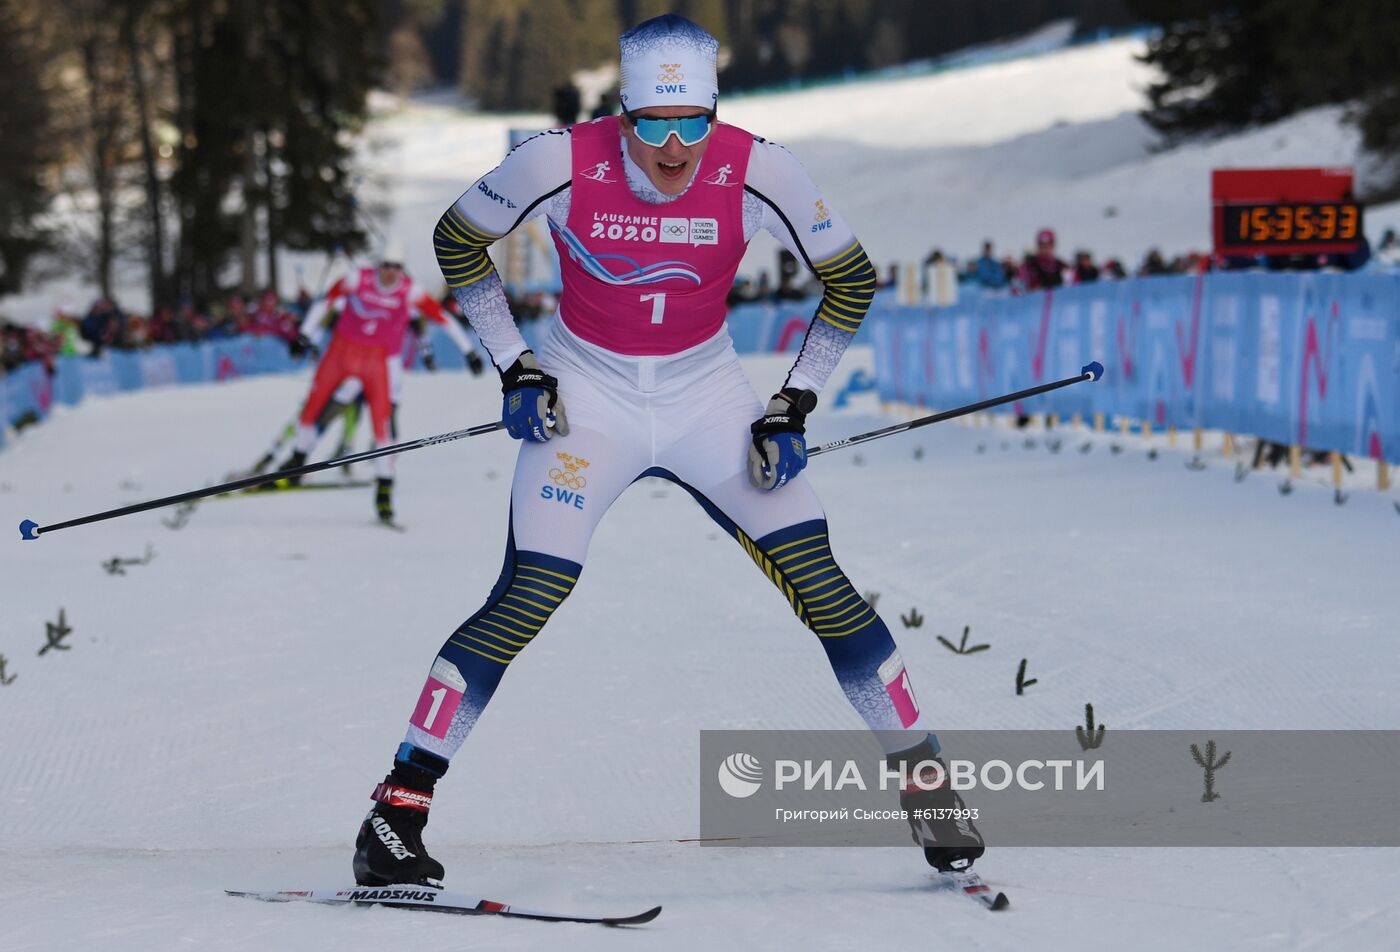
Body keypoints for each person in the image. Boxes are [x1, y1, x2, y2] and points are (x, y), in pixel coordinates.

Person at [350, 13, 985, 890]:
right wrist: (516, 367)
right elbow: (458, 241)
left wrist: (791, 404)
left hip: (707, 401)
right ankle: (394, 813)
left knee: (826, 590)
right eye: (653, 124)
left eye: (695, 123)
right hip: (588, 401)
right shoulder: (555, 160)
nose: (676, 147)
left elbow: (854, 277)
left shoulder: (761, 168)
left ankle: (932, 794)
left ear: (716, 111)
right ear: (624, 112)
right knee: (531, 592)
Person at [277, 242, 483, 523]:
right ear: (378, 265)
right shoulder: (356, 280)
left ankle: (384, 489)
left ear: (402, 269)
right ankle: (298, 460)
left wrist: (469, 352)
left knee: (383, 425)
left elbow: (442, 318)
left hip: (381, 363)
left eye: (395, 267)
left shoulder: (410, 291)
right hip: (342, 354)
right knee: (315, 408)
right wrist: (304, 336)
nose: (389, 272)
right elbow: (325, 303)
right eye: (385, 265)